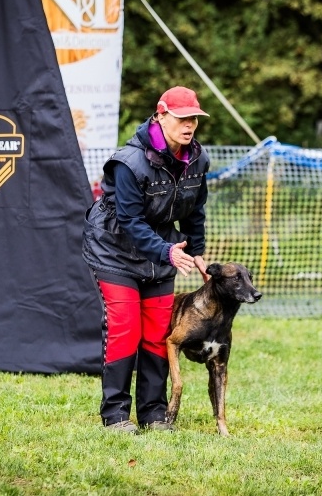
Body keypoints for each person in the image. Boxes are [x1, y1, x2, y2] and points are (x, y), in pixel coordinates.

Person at [82, 86, 211, 433]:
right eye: (182, 118)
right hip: (115, 249)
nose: (189, 126)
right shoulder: (129, 162)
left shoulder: (198, 159)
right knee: (126, 329)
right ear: (161, 113)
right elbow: (131, 222)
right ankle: (116, 416)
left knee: (156, 334)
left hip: (161, 252)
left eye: (194, 119)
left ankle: (154, 414)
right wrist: (168, 251)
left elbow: (194, 211)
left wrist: (196, 252)